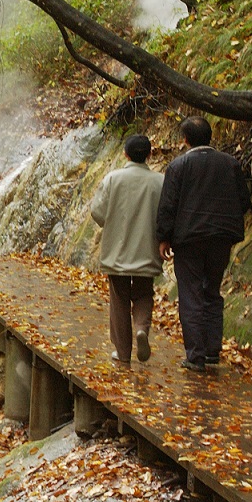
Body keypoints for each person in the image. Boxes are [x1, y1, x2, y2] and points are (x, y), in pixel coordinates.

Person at [156, 116, 251, 372]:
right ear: (210, 137)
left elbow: (168, 205)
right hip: (221, 237)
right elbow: (243, 200)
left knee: (191, 293)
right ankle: (211, 350)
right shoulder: (230, 164)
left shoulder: (178, 166)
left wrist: (163, 237)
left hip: (189, 239)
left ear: (185, 140)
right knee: (212, 291)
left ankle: (196, 355)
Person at [90, 134, 164, 364]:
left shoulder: (113, 179)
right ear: (150, 155)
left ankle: (123, 353)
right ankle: (142, 328)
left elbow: (97, 213)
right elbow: (166, 217)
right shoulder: (160, 182)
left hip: (118, 250)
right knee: (143, 292)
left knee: (119, 299)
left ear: (125, 154)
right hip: (146, 249)